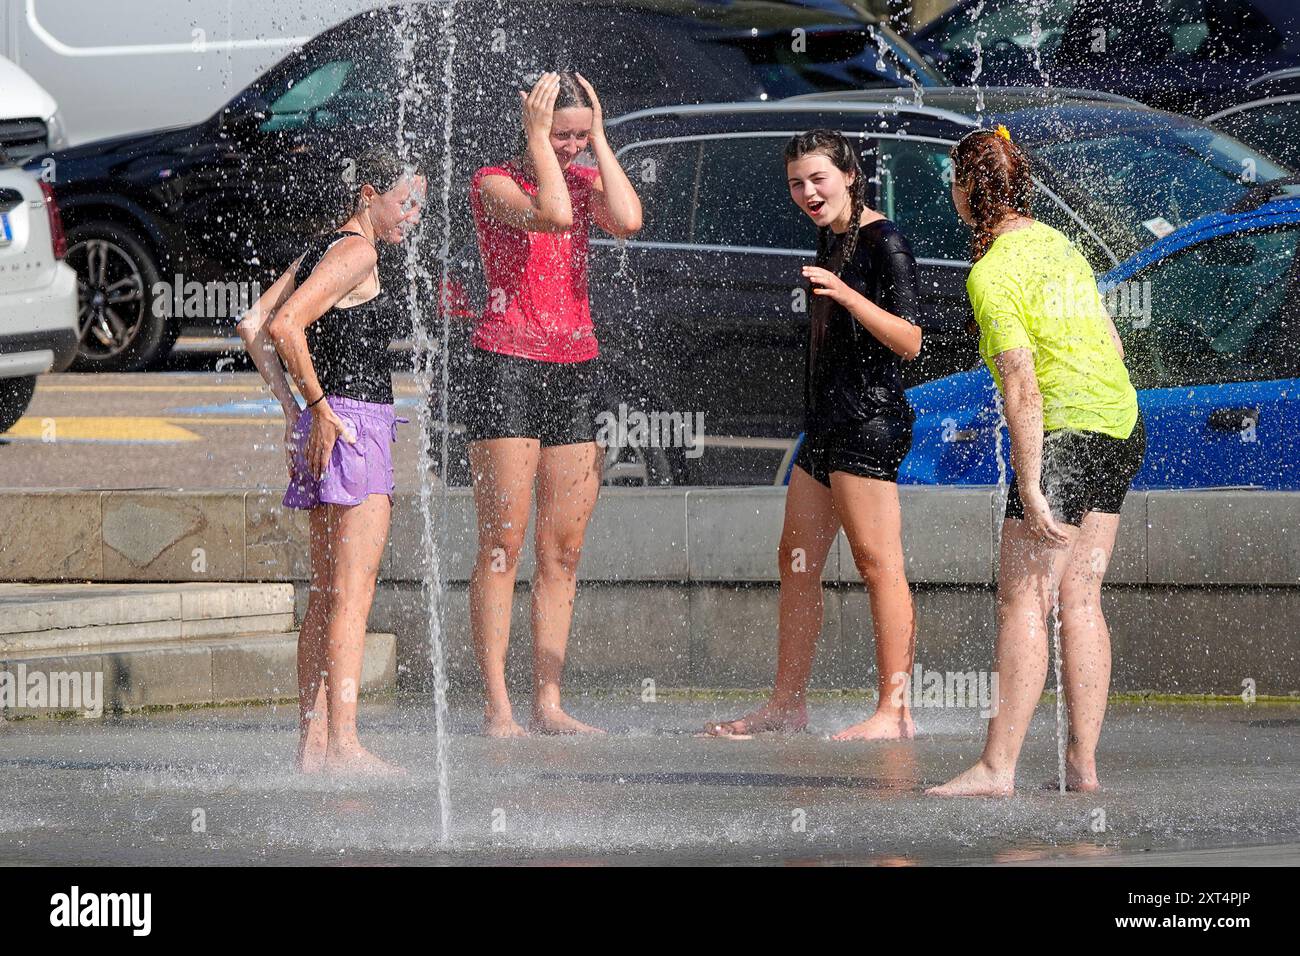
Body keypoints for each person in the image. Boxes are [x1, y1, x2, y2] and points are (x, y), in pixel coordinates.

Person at [927, 125, 1144, 796]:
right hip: (1120, 422)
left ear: (969, 191)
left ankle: (998, 768)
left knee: (1023, 600)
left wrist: (1032, 480)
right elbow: (1108, 336)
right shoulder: (1059, 244)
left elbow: (1022, 386)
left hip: (1068, 435)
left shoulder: (991, 273)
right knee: (1081, 596)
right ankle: (1083, 769)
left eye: (954, 185)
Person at [705, 129, 922, 741]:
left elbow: (911, 341)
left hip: (867, 420)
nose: (807, 192)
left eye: (818, 179)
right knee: (796, 562)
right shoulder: (831, 236)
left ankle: (895, 712)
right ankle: (787, 704)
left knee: (879, 564)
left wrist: (850, 297)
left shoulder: (885, 241)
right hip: (823, 424)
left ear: (849, 174)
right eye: (797, 183)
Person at [236, 148, 424, 774]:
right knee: (353, 594)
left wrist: (294, 410)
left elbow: (251, 323)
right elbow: (286, 325)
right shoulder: (359, 251)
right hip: (355, 427)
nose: (413, 216)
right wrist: (315, 405)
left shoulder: (318, 248)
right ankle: (345, 742)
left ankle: (313, 744)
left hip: (329, 427)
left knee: (325, 593)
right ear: (369, 193)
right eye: (405, 201)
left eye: (421, 205)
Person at [467, 72, 642, 736]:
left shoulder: (585, 173)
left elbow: (627, 219)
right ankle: (498, 707)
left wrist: (598, 140)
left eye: (578, 135)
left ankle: (548, 701)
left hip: (575, 367)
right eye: (560, 134)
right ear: (532, 126)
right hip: (506, 364)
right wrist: (543, 141)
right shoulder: (494, 182)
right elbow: (554, 217)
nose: (570, 148)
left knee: (562, 549)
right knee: (502, 545)